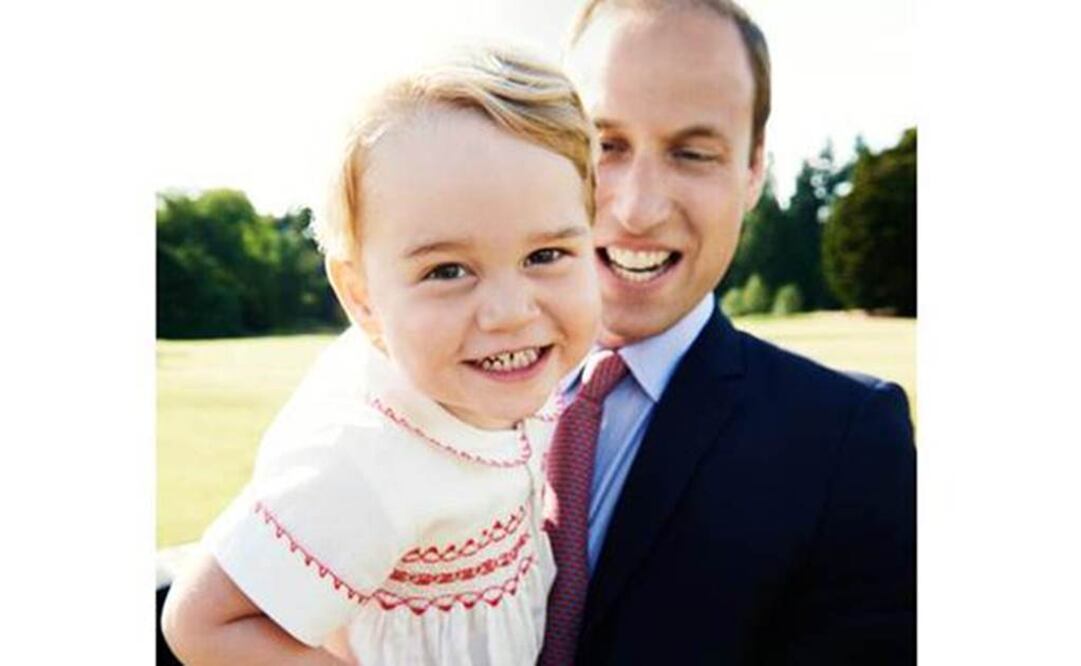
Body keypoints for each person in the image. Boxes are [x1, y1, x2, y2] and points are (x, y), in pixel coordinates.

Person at [160, 47, 602, 665]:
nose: (509, 311)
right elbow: (203, 622)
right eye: (447, 270)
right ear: (363, 298)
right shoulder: (367, 455)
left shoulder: (483, 383)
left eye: (546, 255)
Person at [537, 1, 917, 664]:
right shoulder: (414, 391)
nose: (637, 207)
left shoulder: (846, 442)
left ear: (751, 172)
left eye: (691, 153)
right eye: (605, 145)